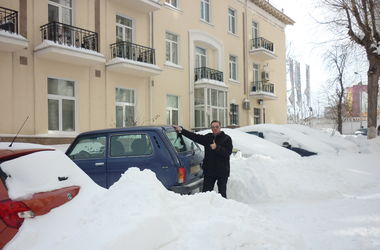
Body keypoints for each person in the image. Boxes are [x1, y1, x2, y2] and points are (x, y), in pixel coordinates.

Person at [173, 120, 233, 198]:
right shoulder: (208, 137)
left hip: (222, 171)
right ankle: (206, 208)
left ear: (220, 127)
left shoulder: (226, 139)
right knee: (206, 194)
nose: (215, 128)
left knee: (222, 193)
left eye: (217, 127)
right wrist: (182, 130)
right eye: (213, 127)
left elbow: (228, 152)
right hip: (210, 171)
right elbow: (195, 137)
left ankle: (224, 208)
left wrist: (217, 147)